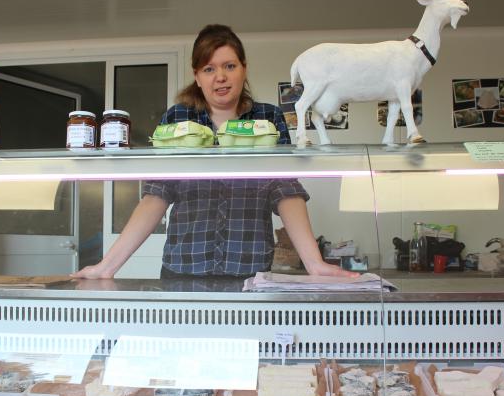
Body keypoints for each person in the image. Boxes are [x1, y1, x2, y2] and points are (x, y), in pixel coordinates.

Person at [73, 24, 356, 280]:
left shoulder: (268, 118)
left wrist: (313, 262)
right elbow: (156, 195)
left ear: (244, 68)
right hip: (183, 266)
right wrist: (107, 266)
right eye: (209, 69)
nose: (220, 77)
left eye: (229, 66)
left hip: (249, 268)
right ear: (197, 76)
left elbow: (284, 191)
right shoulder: (178, 118)